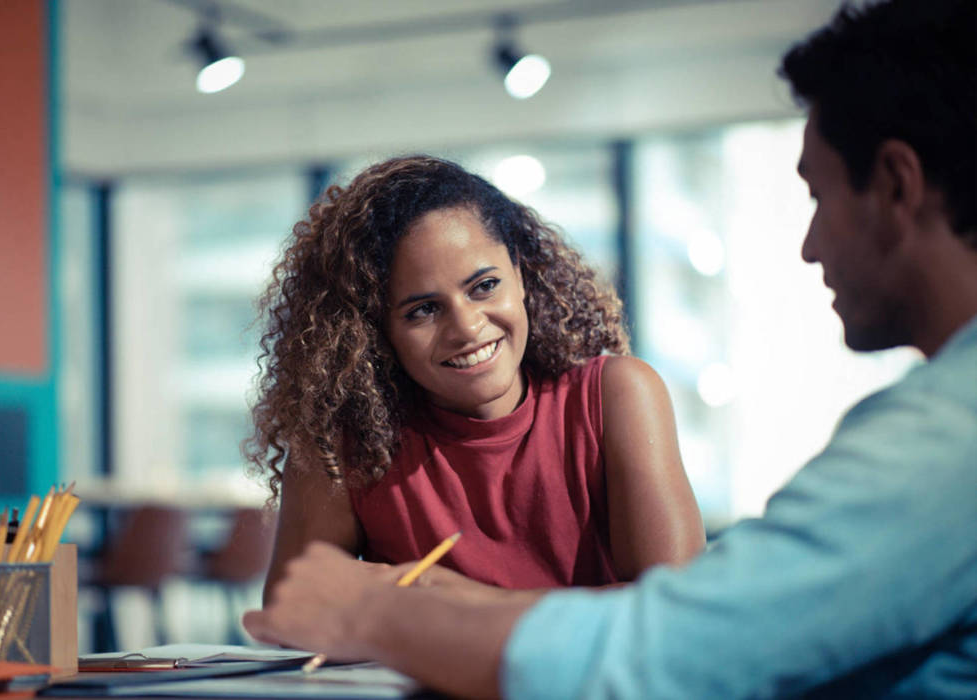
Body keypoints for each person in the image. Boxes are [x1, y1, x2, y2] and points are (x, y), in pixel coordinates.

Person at [242, 0, 977, 697]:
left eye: (817, 198)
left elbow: (679, 651)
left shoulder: (948, 439)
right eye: (422, 309)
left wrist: (395, 612)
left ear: (897, 185)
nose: (810, 246)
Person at [245, 155, 705, 599]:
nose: (466, 328)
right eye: (423, 310)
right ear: (375, 331)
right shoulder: (344, 442)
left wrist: (455, 607)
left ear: (521, 275)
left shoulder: (616, 396)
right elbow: (293, 612)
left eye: (484, 286)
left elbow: (676, 607)